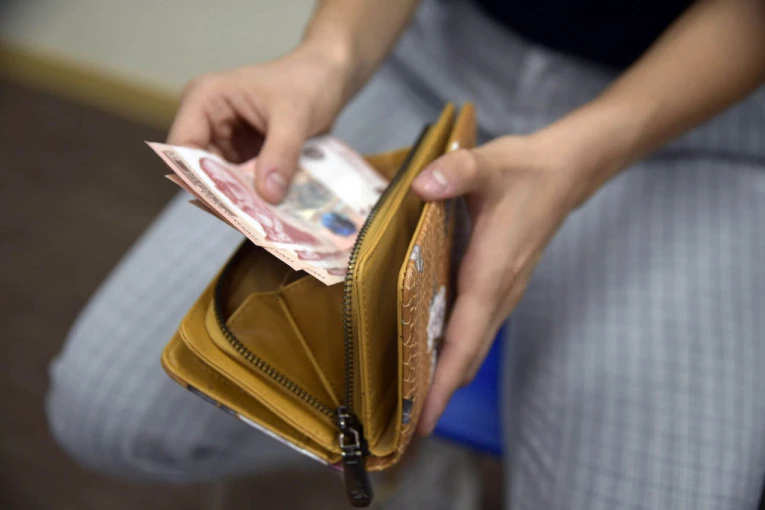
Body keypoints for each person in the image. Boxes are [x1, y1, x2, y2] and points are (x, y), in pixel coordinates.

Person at [47, 0, 765, 508]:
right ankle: (398, 435)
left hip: (697, 125)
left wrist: (575, 164)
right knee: (107, 415)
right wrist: (327, 54)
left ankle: (408, 414)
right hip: (432, 59)